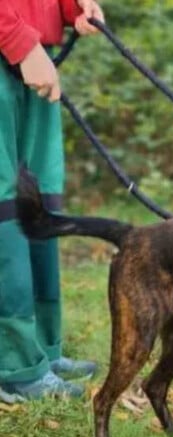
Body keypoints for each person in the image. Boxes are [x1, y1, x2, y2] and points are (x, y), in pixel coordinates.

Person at [0, 0, 105, 401]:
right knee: (5, 210)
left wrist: (70, 6)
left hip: (32, 53)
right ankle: (14, 364)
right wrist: (20, 43)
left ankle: (41, 347)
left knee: (39, 202)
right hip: (17, 47)